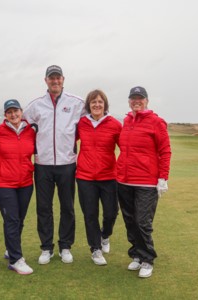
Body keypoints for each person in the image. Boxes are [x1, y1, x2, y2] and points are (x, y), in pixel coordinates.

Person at [23, 65, 85, 264]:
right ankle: (46, 247)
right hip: (43, 164)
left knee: (67, 206)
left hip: (67, 163)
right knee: (44, 207)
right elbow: (22, 126)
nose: (55, 81)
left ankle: (65, 246)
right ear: (46, 81)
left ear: (63, 79)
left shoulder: (77, 103)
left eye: (58, 78)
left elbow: (94, 119)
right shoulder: (35, 106)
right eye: (51, 78)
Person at [116, 86, 171, 278]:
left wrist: (163, 177)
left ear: (147, 101)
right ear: (129, 101)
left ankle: (147, 259)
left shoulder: (156, 122)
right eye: (133, 98)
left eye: (140, 98)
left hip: (146, 182)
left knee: (142, 222)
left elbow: (165, 151)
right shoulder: (127, 121)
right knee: (130, 220)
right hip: (124, 180)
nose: (136, 101)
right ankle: (137, 255)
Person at [76, 89, 121, 266]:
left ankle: (105, 235)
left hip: (109, 176)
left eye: (100, 102)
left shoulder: (115, 124)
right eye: (93, 102)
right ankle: (95, 249)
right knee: (90, 214)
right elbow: (68, 140)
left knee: (111, 212)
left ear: (105, 105)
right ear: (88, 105)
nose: (96, 105)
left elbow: (125, 148)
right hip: (85, 177)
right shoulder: (81, 123)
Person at [0, 99, 36, 275]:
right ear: (5, 115)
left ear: (21, 112)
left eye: (15, 111)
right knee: (12, 220)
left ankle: (11, 249)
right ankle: (15, 260)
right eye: (9, 112)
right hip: (3, 184)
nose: (13, 114)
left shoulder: (30, 132)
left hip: (25, 183)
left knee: (19, 219)